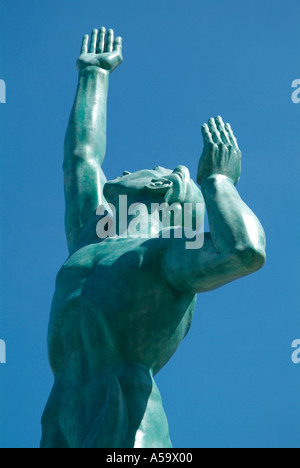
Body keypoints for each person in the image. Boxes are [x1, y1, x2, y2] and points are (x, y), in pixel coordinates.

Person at [41, 27, 266, 448]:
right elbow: (81, 158)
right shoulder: (92, 236)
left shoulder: (168, 256)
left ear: (165, 187)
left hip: (126, 410)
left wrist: (218, 181)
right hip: (61, 411)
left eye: (145, 169)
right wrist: (94, 75)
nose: (123, 173)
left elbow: (244, 250)